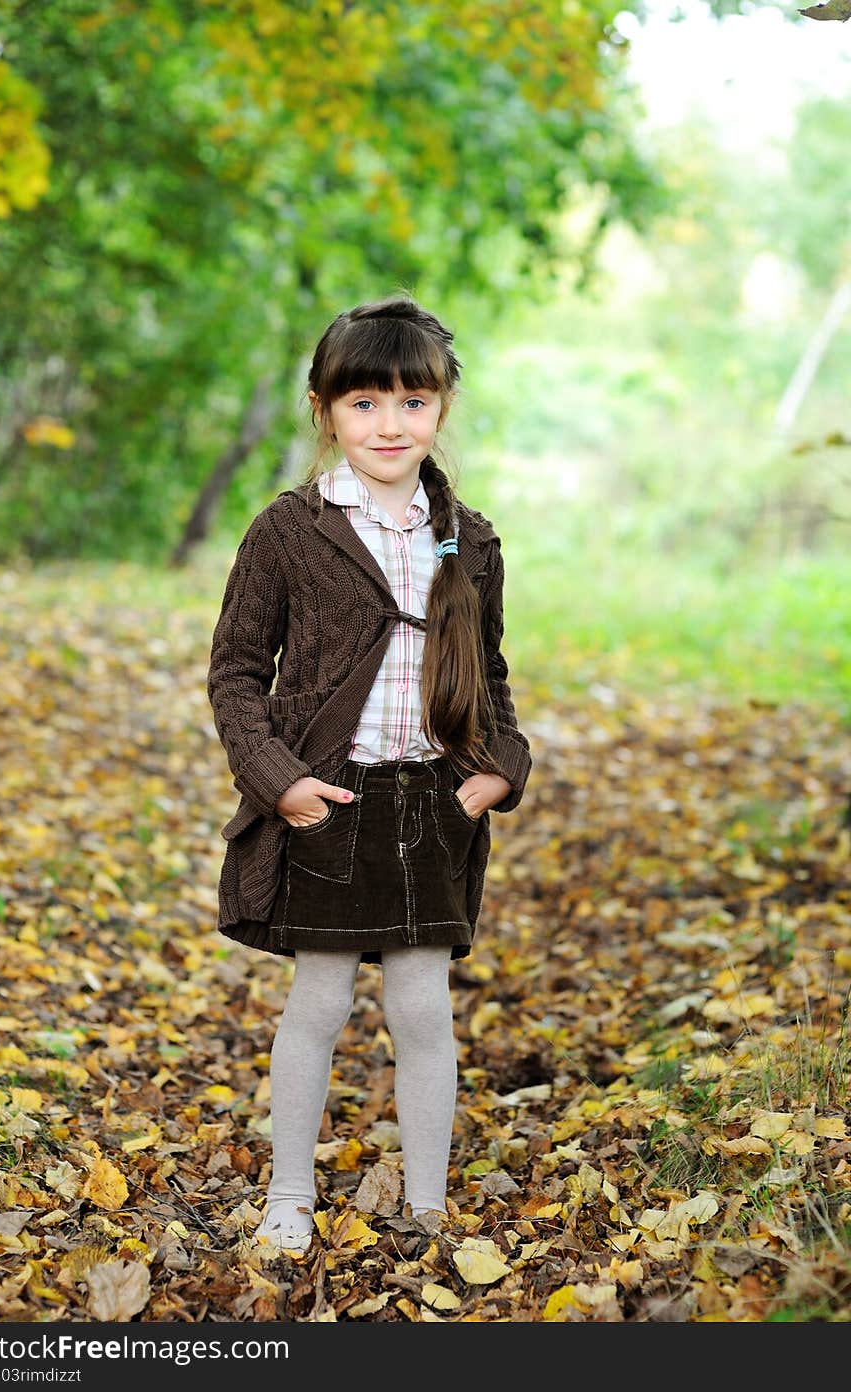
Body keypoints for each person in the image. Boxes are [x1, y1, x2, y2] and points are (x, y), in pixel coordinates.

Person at [207, 294, 532, 1254]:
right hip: (330, 801)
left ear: (441, 409)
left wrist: (501, 768)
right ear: (324, 410)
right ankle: (289, 1194)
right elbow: (234, 672)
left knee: (423, 1008)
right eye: (363, 404)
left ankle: (428, 1204)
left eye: (412, 403)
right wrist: (278, 780)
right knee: (318, 1002)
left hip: (433, 803)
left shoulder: (468, 540)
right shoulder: (288, 531)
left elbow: (493, 674)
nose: (389, 425)